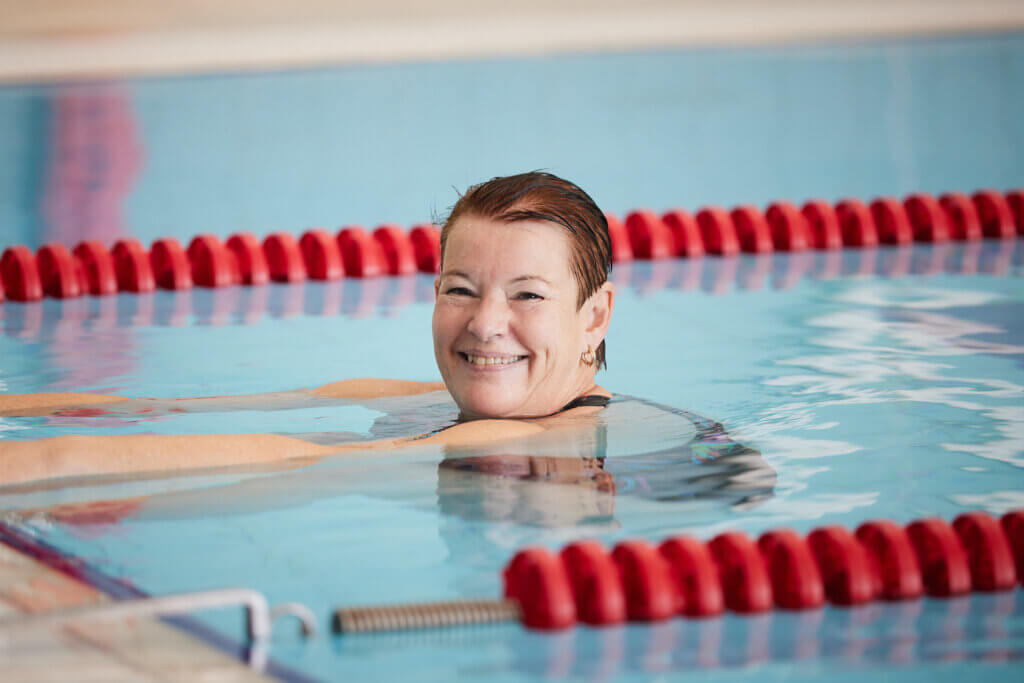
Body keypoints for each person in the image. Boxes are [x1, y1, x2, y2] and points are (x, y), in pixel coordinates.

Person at [0, 172, 619, 486]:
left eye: (528, 295)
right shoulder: (414, 399)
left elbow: (297, 456)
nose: (485, 324)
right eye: (460, 289)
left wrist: (51, 458)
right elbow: (162, 406)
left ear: (594, 316)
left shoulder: (541, 438)